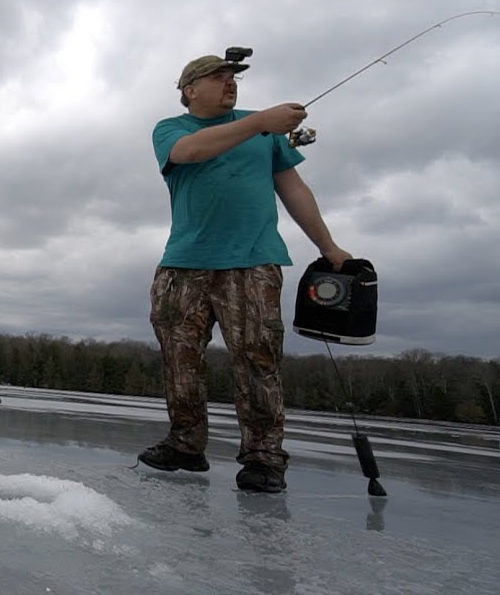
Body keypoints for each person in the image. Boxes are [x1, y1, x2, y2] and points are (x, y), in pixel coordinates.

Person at [139, 52, 352, 493]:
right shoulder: (172, 129)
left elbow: (293, 188)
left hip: (253, 263)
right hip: (183, 265)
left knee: (258, 360)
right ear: (189, 90)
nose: (230, 84)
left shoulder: (265, 129)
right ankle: (186, 445)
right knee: (181, 361)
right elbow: (192, 152)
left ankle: (264, 459)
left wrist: (328, 246)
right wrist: (260, 123)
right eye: (218, 78)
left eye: (233, 78)